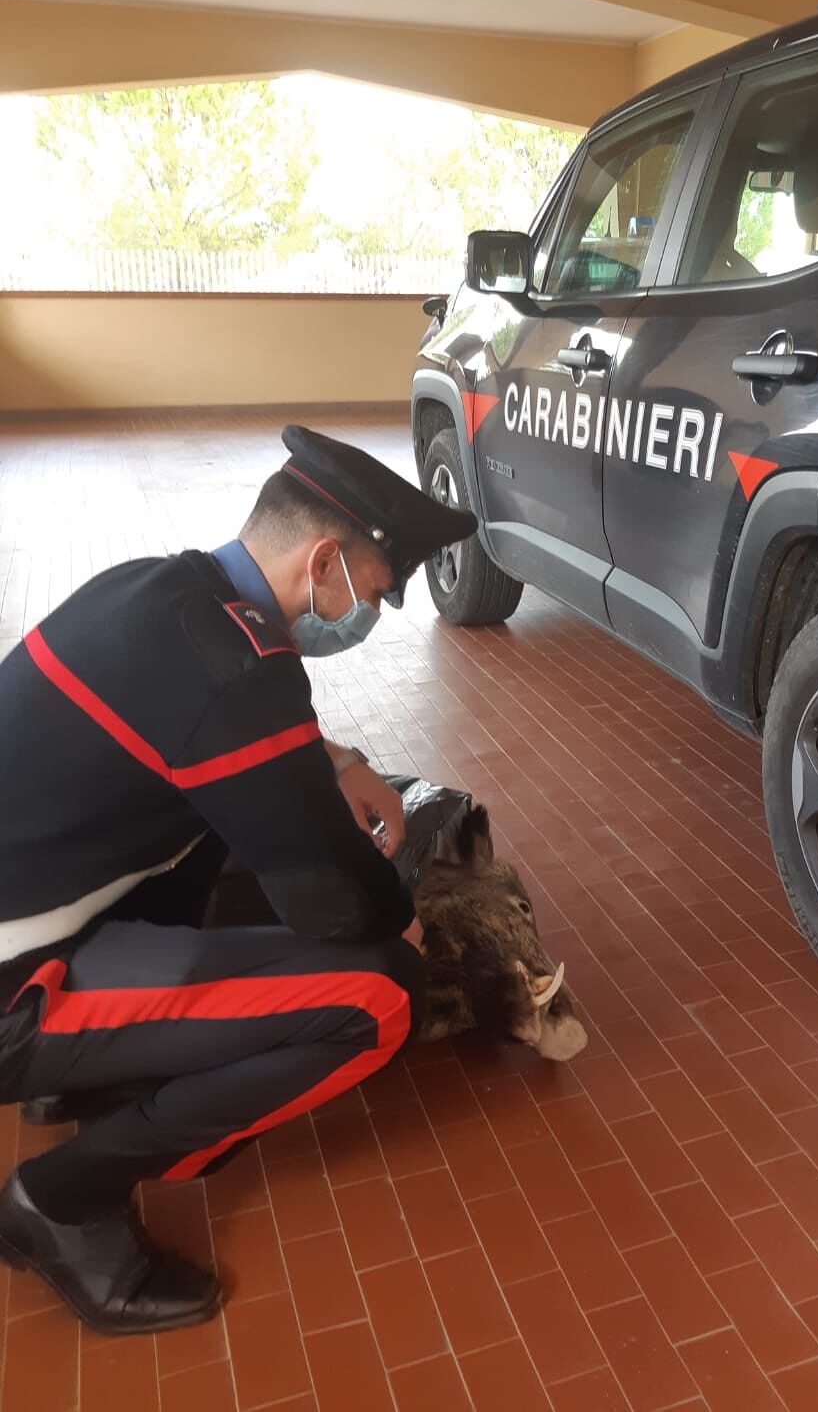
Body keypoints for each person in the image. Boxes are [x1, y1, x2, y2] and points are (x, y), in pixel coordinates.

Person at [0, 423, 477, 1335]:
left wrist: (335, 759)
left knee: (221, 819)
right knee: (382, 995)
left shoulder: (158, 590)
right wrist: (404, 918)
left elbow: (231, 751)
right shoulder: (237, 672)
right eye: (372, 593)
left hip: (25, 904)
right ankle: (61, 1199)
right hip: (12, 988)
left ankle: (78, 1082)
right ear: (324, 562)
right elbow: (335, 903)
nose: (368, 617)